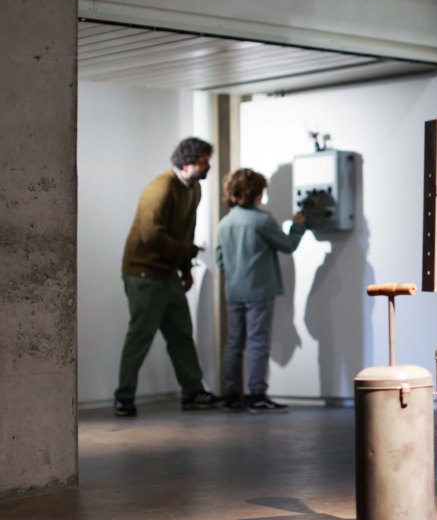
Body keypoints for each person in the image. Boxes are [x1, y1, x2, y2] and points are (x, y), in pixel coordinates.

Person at [114, 137, 223, 417]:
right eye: (203, 161)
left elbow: (186, 231)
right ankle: (123, 397)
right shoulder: (161, 188)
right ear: (187, 162)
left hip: (167, 273)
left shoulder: (193, 189)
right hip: (143, 272)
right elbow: (151, 235)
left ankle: (193, 392)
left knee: (181, 334)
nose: (208, 166)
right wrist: (188, 252)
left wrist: (185, 269)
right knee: (140, 336)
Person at [215, 168, 307, 412]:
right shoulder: (262, 220)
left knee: (234, 343)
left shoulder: (224, 223)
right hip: (259, 290)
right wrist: (298, 226)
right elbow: (287, 245)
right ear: (256, 193)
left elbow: (220, 260)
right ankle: (257, 395)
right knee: (258, 341)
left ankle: (231, 395)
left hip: (234, 291)